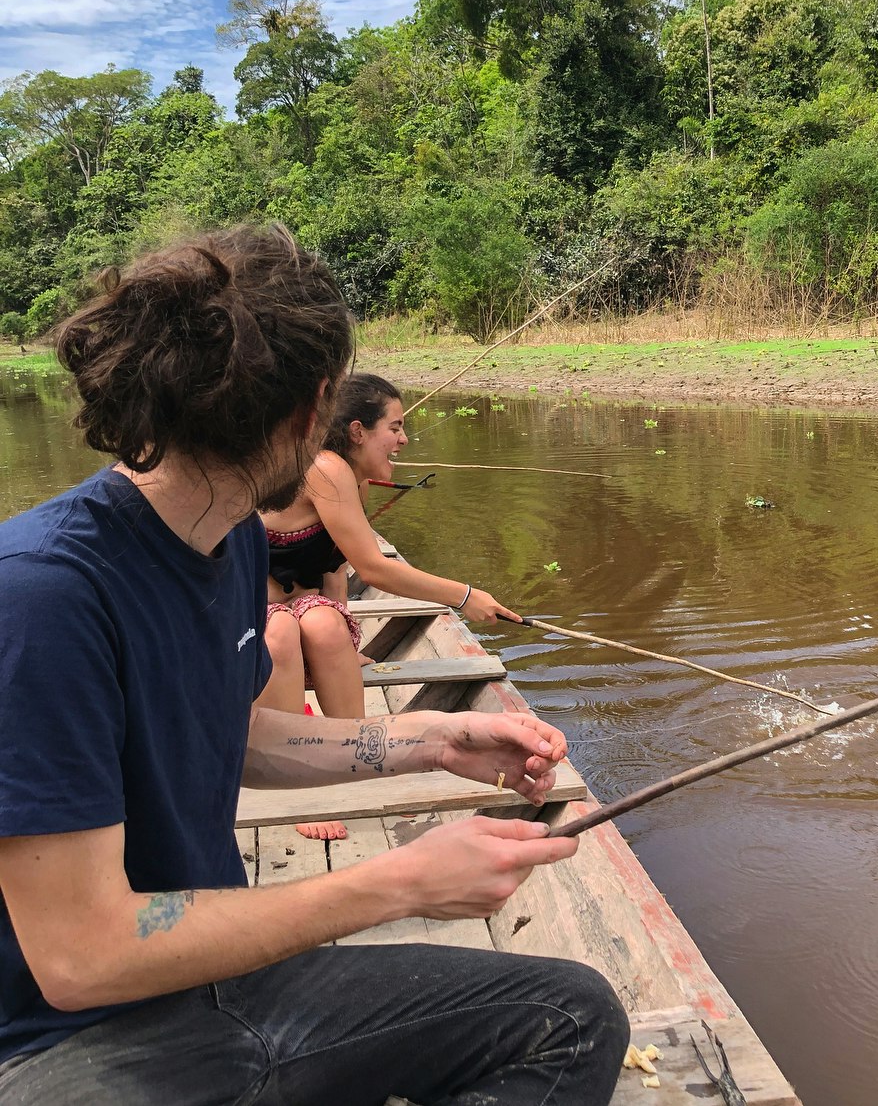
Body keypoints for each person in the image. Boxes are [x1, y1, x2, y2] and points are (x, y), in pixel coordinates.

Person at [0, 225, 629, 1105]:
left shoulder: (227, 546)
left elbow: (229, 730)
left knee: (571, 1016)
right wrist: (397, 881)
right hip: (63, 1049)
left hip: (217, 986)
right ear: (313, 411)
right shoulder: (39, 595)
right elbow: (82, 954)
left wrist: (424, 740)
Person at [258, 374, 520, 840]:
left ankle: (350, 756)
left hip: (298, 603)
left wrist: (339, 632)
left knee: (324, 625)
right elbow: (373, 570)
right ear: (358, 431)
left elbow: (335, 565)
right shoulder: (324, 467)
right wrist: (463, 595)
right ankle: (294, 783)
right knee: (280, 633)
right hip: (245, 616)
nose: (403, 439)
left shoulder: (352, 480)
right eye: (395, 428)